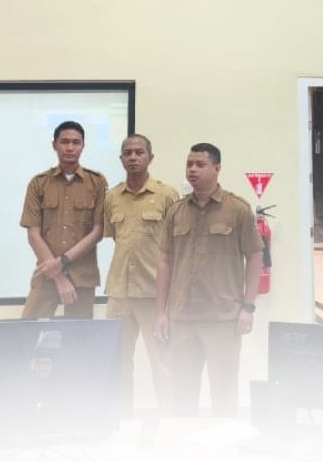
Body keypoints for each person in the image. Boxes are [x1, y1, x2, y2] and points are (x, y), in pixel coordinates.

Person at [155, 143, 264, 416]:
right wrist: (161, 313)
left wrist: (248, 307)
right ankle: (184, 440)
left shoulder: (238, 209)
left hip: (222, 319)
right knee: (182, 394)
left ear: (217, 169)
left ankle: (224, 440)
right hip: (182, 318)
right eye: (189, 164)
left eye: (200, 164)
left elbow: (254, 257)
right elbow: (165, 261)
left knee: (224, 393)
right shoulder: (176, 211)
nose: (192, 169)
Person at [103, 133, 179, 411]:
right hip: (120, 293)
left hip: (153, 294)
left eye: (139, 152)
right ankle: (122, 418)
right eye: (128, 153)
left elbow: (176, 244)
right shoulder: (112, 197)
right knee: (118, 362)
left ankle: (170, 418)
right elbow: (116, 237)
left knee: (162, 361)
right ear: (121, 159)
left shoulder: (167, 195)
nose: (133, 158)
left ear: (150, 157)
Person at [19, 121, 106, 319]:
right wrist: (58, 275)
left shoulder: (97, 182)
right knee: (27, 331)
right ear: (54, 145)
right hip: (47, 273)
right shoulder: (39, 183)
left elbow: (98, 231)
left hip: (83, 276)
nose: (70, 147)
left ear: (83, 146)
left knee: (79, 335)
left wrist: (63, 261)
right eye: (64, 142)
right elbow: (33, 234)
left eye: (76, 142)